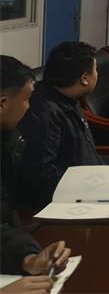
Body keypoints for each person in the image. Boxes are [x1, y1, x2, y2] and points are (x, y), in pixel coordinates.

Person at [1, 56, 71, 288]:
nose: (29, 107)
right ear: (2, 104)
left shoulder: (8, 140)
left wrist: (28, 258)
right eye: (27, 99)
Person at [18, 43, 104, 208]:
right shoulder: (44, 112)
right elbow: (43, 175)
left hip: (91, 183)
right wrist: (87, 194)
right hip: (70, 201)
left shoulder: (67, 98)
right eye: (96, 70)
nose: (97, 74)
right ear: (84, 78)